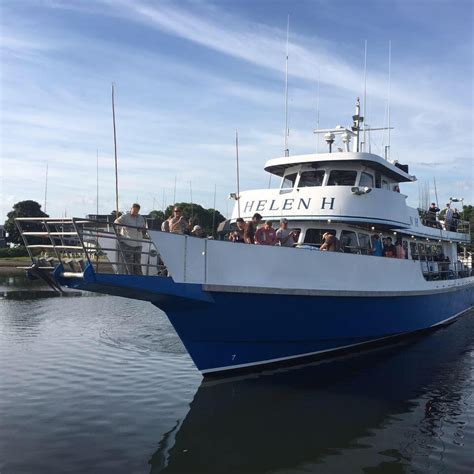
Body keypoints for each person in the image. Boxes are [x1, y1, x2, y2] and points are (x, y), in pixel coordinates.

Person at [114, 203, 146, 275]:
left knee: (137, 262)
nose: (135, 213)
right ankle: (130, 276)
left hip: (138, 243)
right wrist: (123, 225)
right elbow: (116, 222)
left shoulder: (141, 218)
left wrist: (142, 228)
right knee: (128, 263)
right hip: (127, 243)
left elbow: (144, 228)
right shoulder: (125, 216)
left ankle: (139, 276)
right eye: (134, 211)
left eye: (137, 212)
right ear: (131, 209)